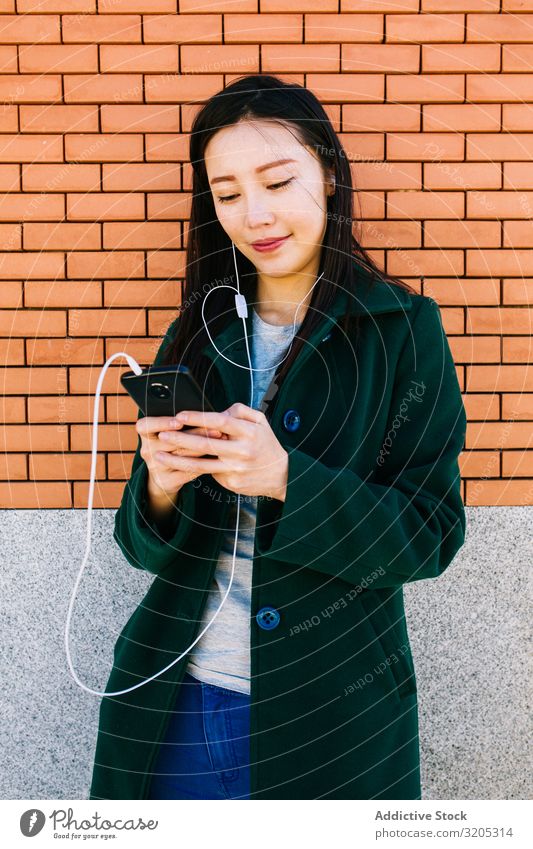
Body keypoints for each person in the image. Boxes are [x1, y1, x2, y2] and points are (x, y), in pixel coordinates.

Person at [89, 73, 467, 800]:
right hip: (177, 701)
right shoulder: (199, 331)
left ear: (327, 171)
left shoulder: (402, 329)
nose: (254, 214)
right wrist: (162, 485)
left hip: (330, 719)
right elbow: (140, 547)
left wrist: (287, 478)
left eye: (276, 180)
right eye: (227, 195)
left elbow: (430, 533)